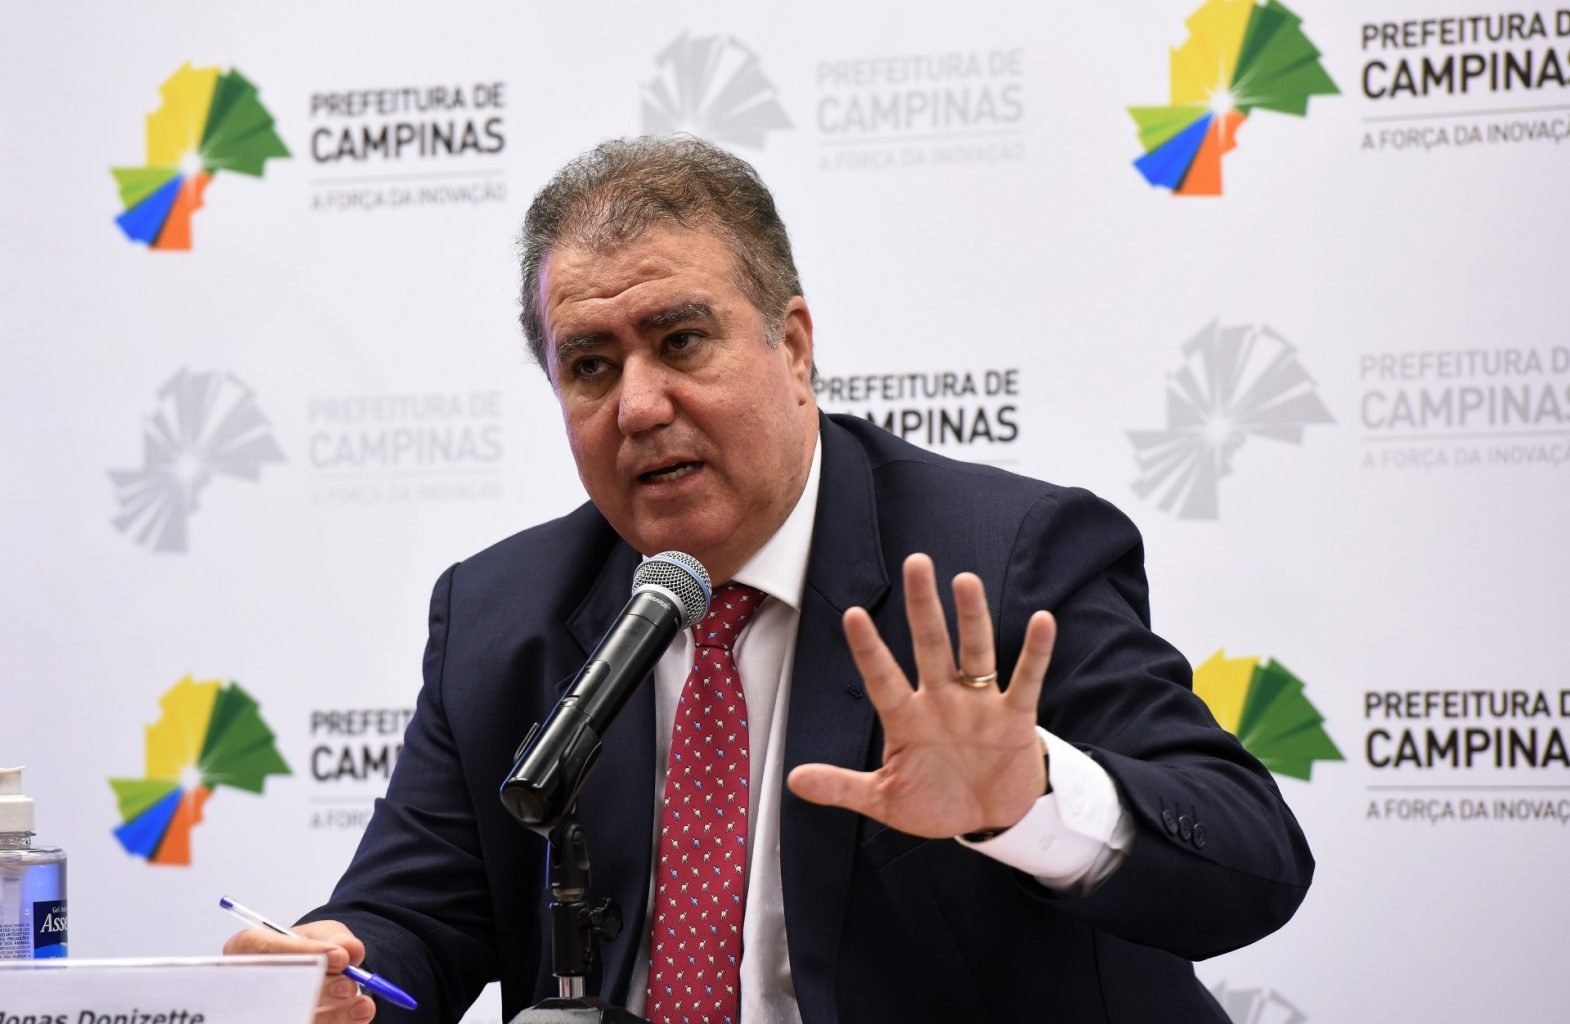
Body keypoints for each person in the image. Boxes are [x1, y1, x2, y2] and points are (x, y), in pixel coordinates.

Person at [226, 136, 1313, 1023]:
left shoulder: (1001, 557)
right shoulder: (499, 616)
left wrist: (1029, 798)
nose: (639, 406)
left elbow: (1251, 856)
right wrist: (336, 968)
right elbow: (414, 918)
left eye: (680, 341)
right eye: (591, 366)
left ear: (793, 346)